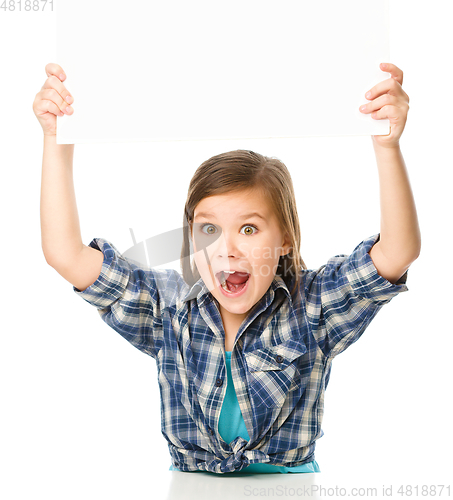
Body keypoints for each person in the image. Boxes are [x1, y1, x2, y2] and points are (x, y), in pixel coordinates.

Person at [33, 62, 420, 475]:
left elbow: (397, 251)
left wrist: (387, 146)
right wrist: (57, 139)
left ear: (285, 238)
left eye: (249, 228)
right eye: (210, 229)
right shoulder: (167, 308)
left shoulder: (314, 306)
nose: (227, 249)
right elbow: (66, 254)